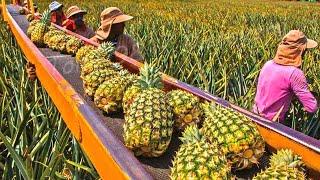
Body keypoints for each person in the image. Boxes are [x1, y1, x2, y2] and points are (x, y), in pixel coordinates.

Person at [253, 30, 318, 122]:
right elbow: (311, 107)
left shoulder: (268, 64)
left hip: (255, 115)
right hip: (274, 124)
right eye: (305, 50)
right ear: (300, 51)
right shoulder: (295, 73)